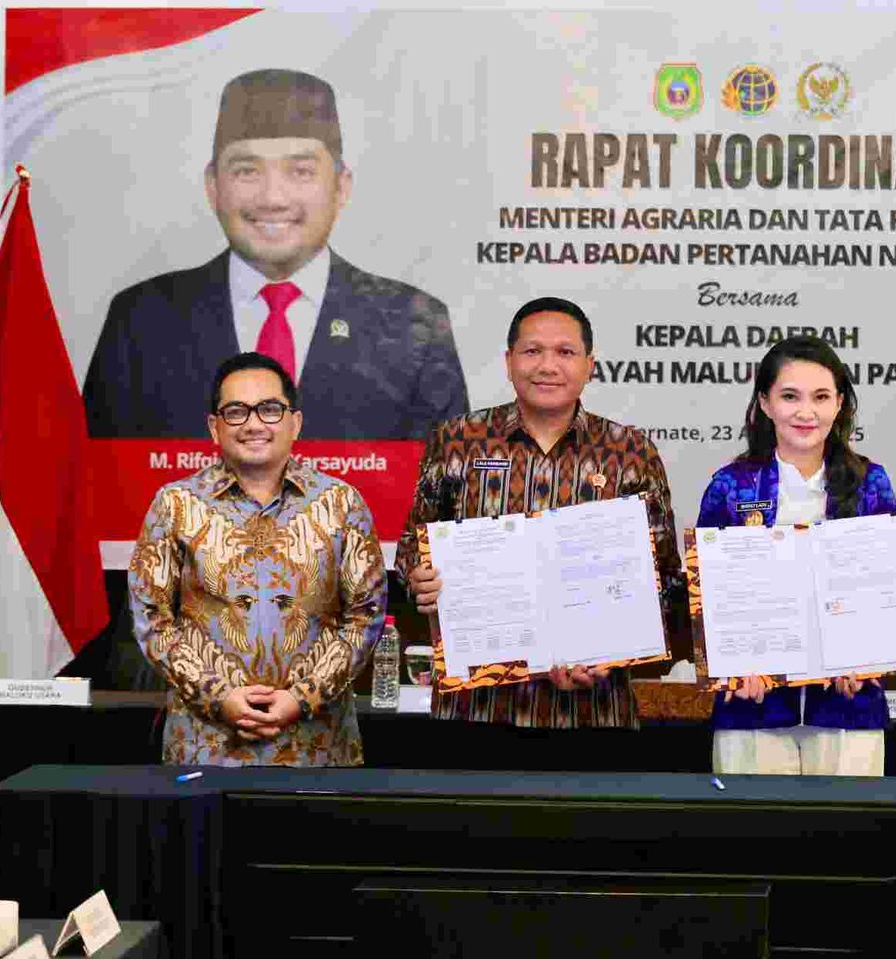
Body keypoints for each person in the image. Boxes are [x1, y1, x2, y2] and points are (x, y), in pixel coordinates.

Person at [84, 68, 467, 440]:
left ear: (341, 187)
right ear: (213, 186)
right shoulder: (141, 321)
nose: (273, 198)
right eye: (247, 171)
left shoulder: (413, 323)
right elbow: (96, 474)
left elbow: (451, 476)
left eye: (300, 171)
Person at [395, 297, 682, 728]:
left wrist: (611, 652)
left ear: (589, 364)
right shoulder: (458, 441)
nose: (548, 366)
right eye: (532, 351)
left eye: (565, 352)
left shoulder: (630, 452)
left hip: (594, 713)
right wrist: (420, 578)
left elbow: (665, 580)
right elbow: (410, 554)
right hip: (477, 710)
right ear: (509, 362)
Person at [129, 352, 386, 765]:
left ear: (295, 422)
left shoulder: (341, 504)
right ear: (214, 427)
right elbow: (152, 620)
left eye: (269, 409)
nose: (253, 424)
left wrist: (301, 698)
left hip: (318, 748)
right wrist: (220, 698)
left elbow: (365, 616)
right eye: (236, 411)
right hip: (206, 747)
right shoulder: (175, 505)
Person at [695, 336, 896, 776]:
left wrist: (869, 656)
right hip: (752, 705)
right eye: (790, 396)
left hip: (848, 705)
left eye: (821, 397)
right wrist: (733, 665)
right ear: (765, 403)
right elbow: (706, 594)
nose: (806, 412)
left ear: (840, 404)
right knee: (754, 819)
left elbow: (890, 589)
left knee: (851, 820)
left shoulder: (871, 483)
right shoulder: (730, 486)